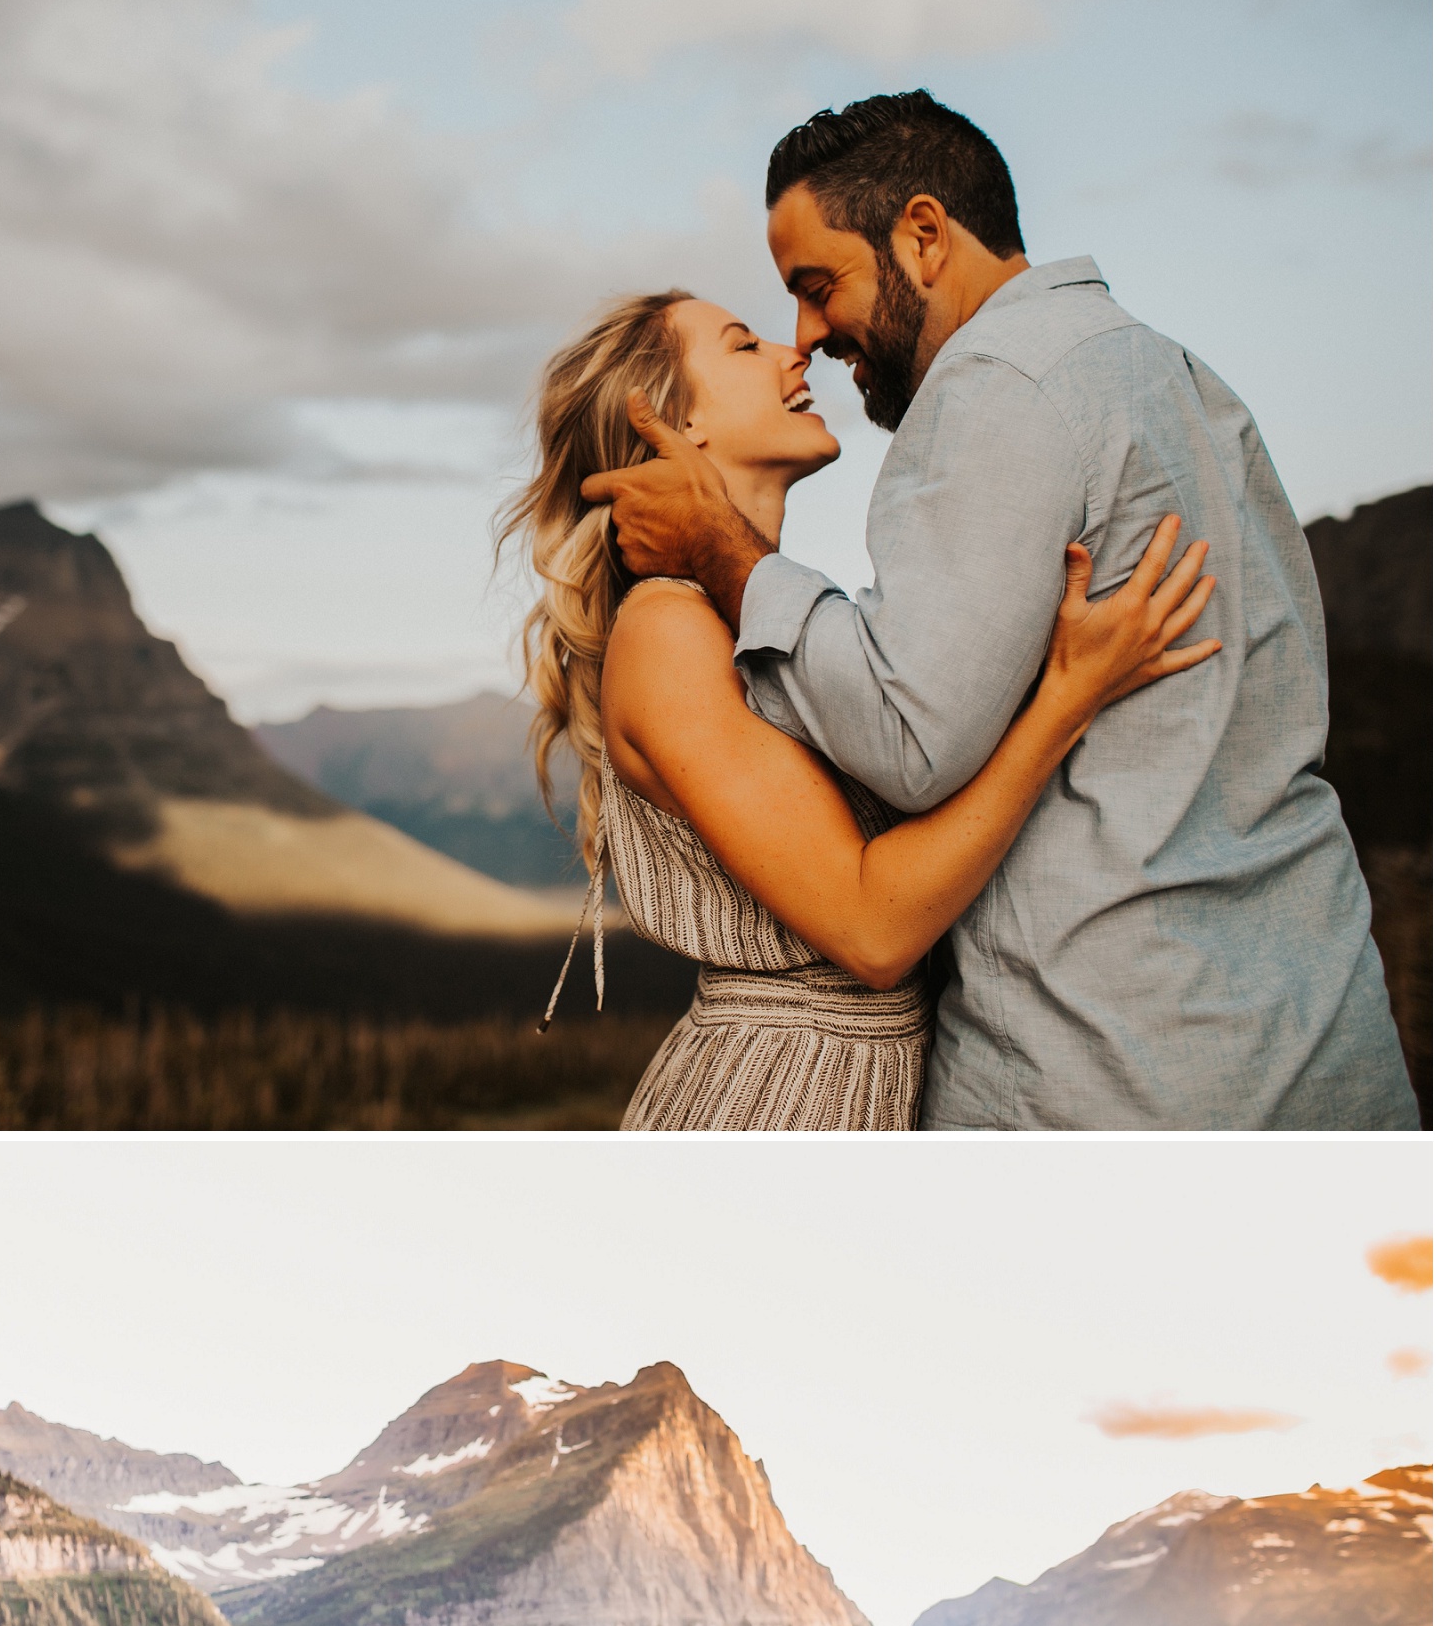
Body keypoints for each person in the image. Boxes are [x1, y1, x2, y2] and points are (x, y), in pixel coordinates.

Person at [581, 90, 1418, 1132]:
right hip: (1312, 1027)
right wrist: (1064, 699)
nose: (806, 335)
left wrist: (731, 555)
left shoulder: (994, 390)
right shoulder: (1176, 378)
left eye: (815, 285)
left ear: (924, 235)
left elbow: (908, 739)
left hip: (1109, 1065)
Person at [503, 288, 1221, 1130]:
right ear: (676, 423)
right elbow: (875, 933)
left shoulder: (768, 622)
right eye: (743, 346)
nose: (792, 352)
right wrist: (1066, 699)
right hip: (768, 1107)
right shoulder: (667, 629)